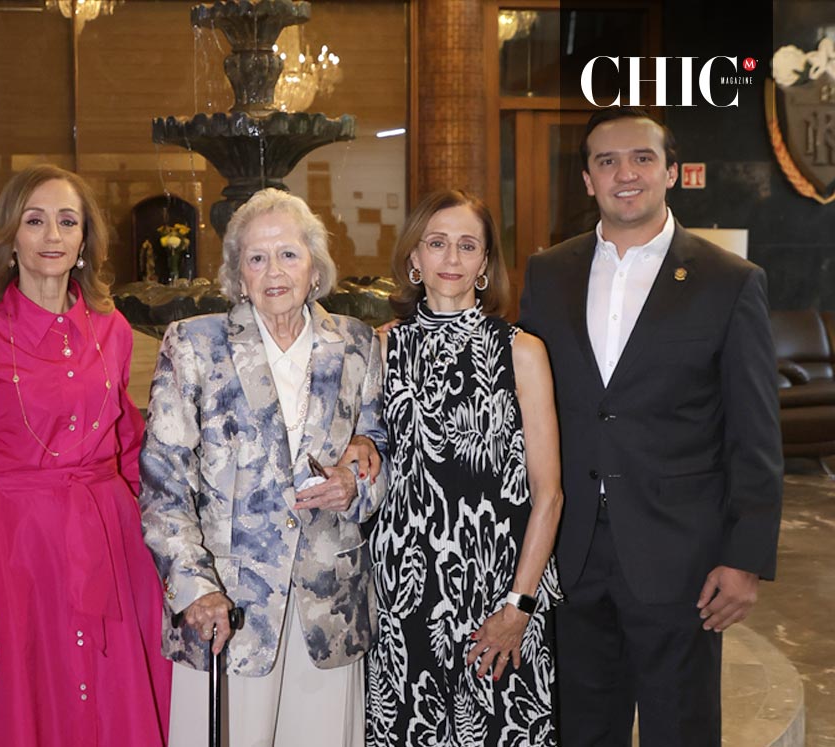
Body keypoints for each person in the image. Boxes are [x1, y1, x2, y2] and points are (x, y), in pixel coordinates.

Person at [518, 106, 783, 747]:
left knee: (681, 731)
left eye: (642, 158)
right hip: (571, 552)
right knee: (579, 730)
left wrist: (744, 558)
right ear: (587, 180)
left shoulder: (730, 281)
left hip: (681, 557)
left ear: (670, 173)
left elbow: (755, 431)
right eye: (606, 161)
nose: (625, 173)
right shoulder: (548, 273)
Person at [0, 165, 171, 746]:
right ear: (10, 238)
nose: (53, 235)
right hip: (18, 560)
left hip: (113, 546)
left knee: (113, 705)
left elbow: (129, 444)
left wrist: (172, 546)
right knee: (27, 708)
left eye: (68, 221)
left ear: (86, 240)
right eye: (34, 221)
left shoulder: (112, 330)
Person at [140, 188, 386, 747]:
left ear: (315, 266)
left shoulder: (355, 343)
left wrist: (357, 485)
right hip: (227, 607)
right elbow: (162, 483)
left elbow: (380, 452)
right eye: (257, 257)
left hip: (329, 604)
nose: (274, 271)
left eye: (289, 254)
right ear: (237, 273)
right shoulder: (194, 344)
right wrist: (194, 589)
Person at [367, 191, 563, 747]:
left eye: (467, 245)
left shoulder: (523, 351)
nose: (451, 258)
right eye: (436, 243)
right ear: (414, 258)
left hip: (499, 591)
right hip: (405, 594)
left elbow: (548, 497)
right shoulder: (378, 349)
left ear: (484, 264)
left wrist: (519, 607)